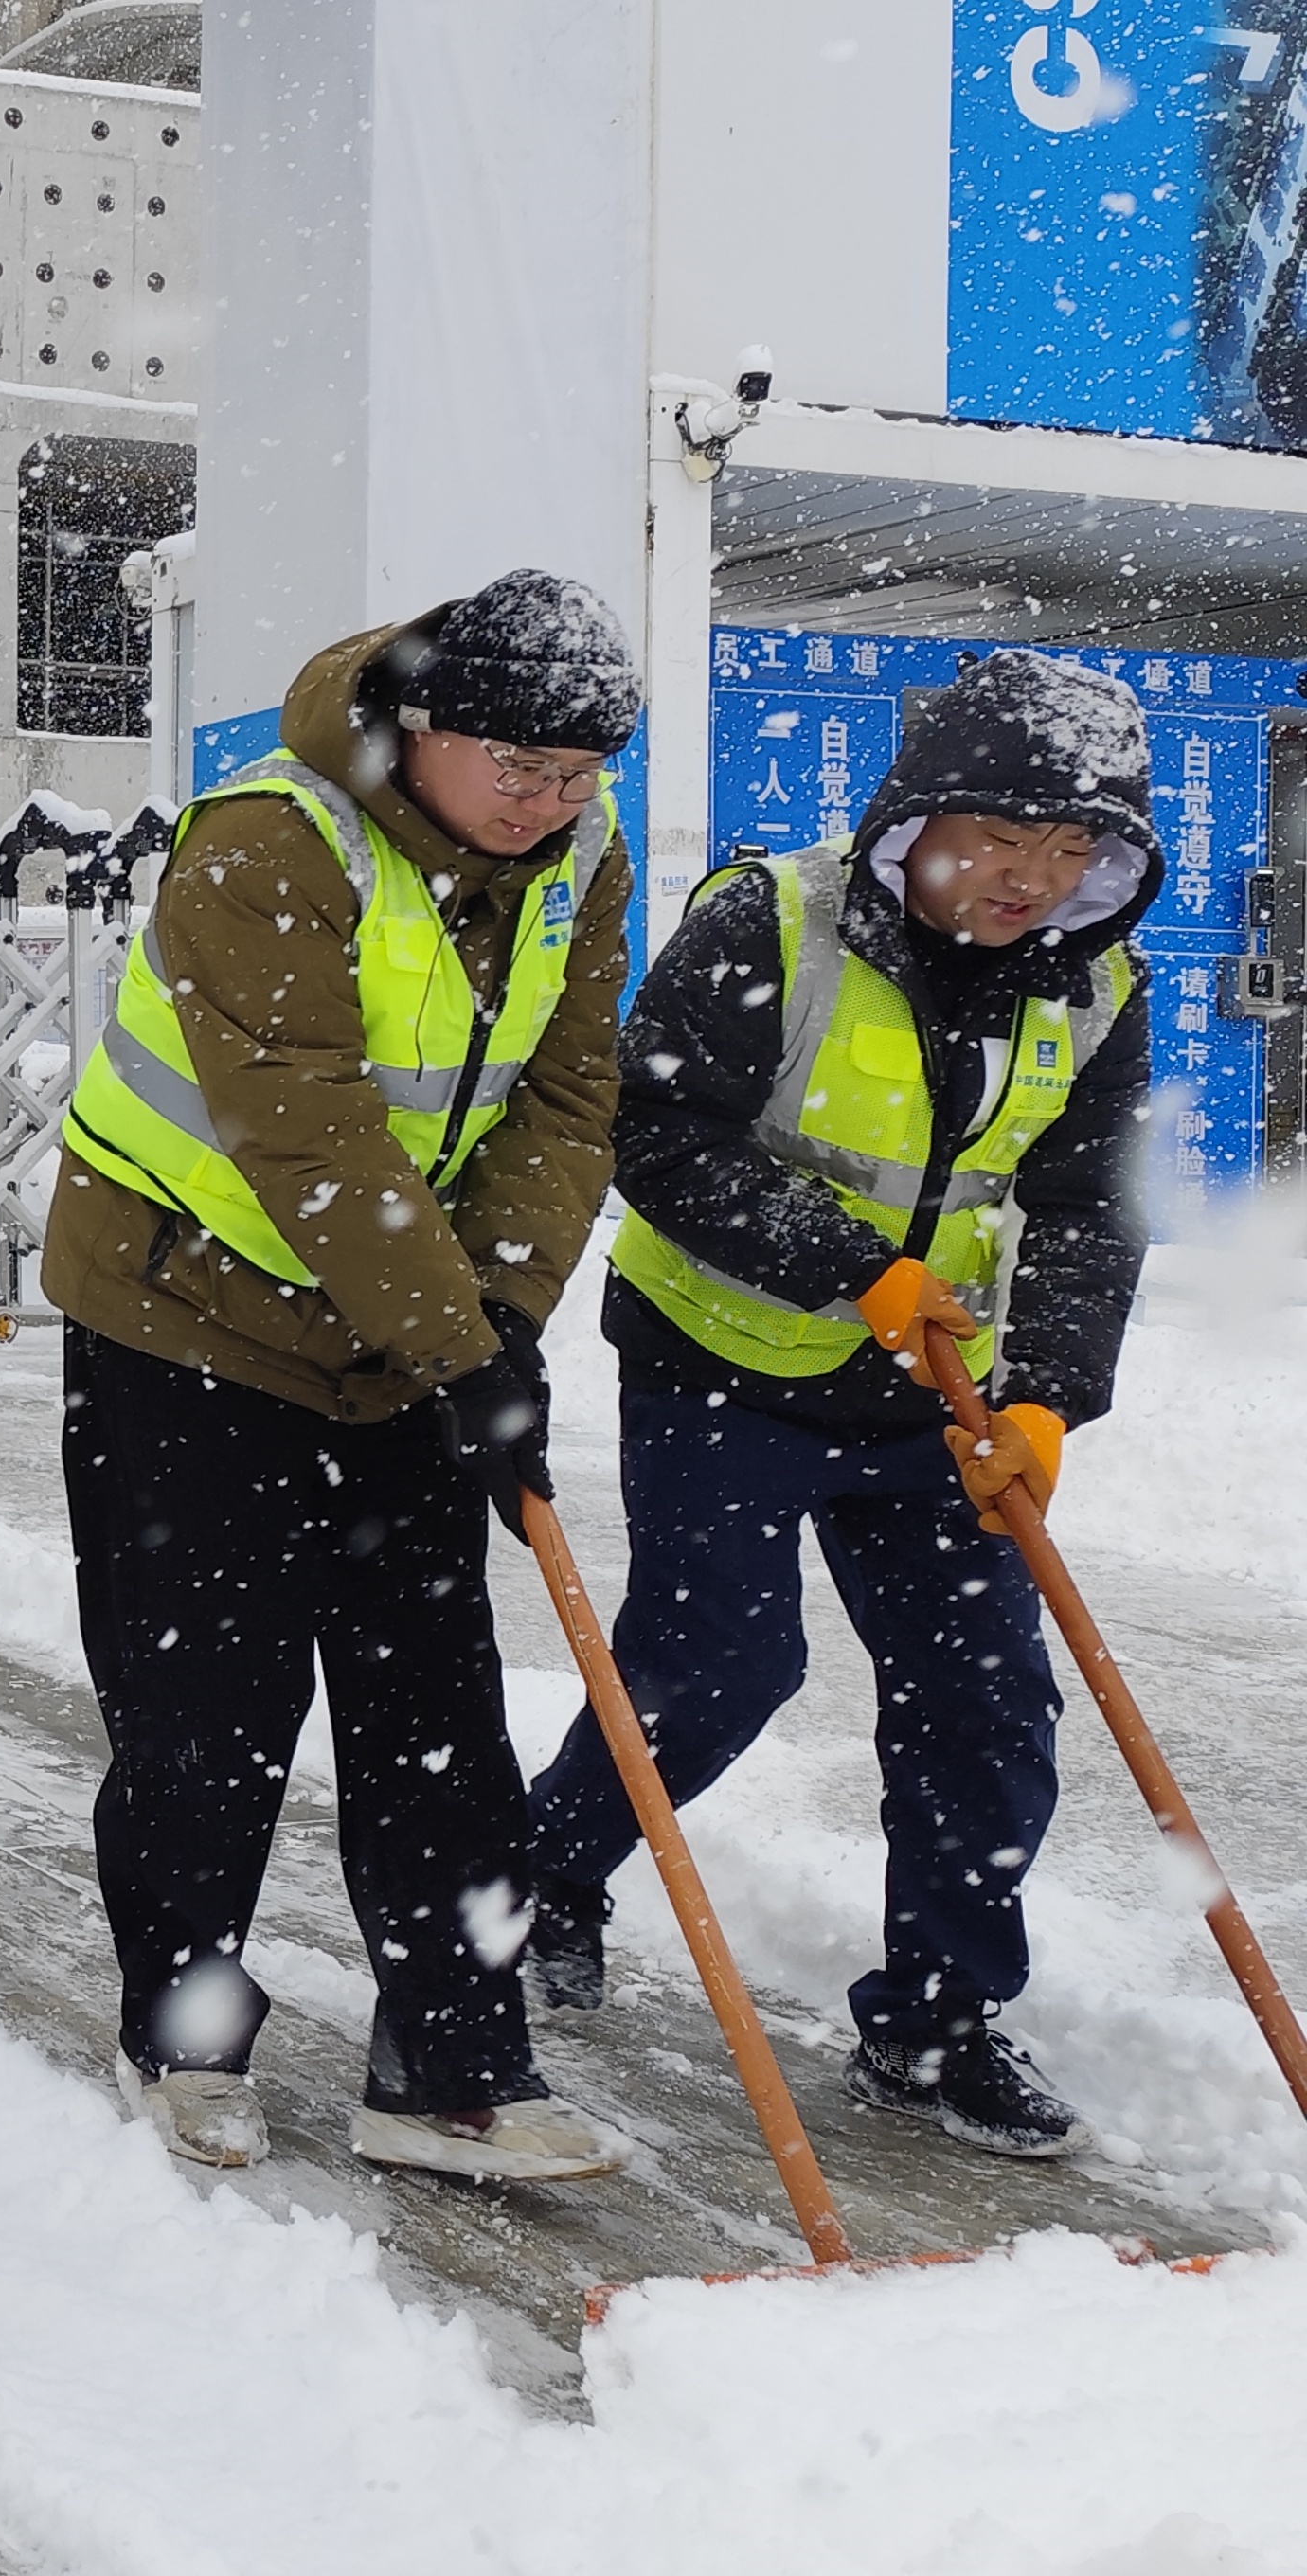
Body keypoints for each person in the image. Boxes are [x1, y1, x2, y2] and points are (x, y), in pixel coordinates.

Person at [44, 569, 640, 2181]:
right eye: (517, 768)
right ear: (416, 726)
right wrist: (465, 1346)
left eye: (581, 774)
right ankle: (185, 2039)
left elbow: (569, 1104)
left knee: (438, 1719)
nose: (550, 803)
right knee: (205, 1714)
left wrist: (498, 1325)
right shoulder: (269, 841)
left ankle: (452, 2072)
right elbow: (302, 1122)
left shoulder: (578, 856)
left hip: (404, 1338)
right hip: (191, 1324)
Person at [523, 651, 1159, 2159]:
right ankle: (550, 1872)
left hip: (939, 1398)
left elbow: (1084, 1204)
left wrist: (1054, 1398)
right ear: (921, 815)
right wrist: (852, 1265)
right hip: (724, 1365)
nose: (1034, 878)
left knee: (986, 1696)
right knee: (719, 1667)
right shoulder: (774, 921)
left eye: (1075, 850)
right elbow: (658, 1136)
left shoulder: (1098, 978)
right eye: (1005, 836)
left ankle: (938, 2019)